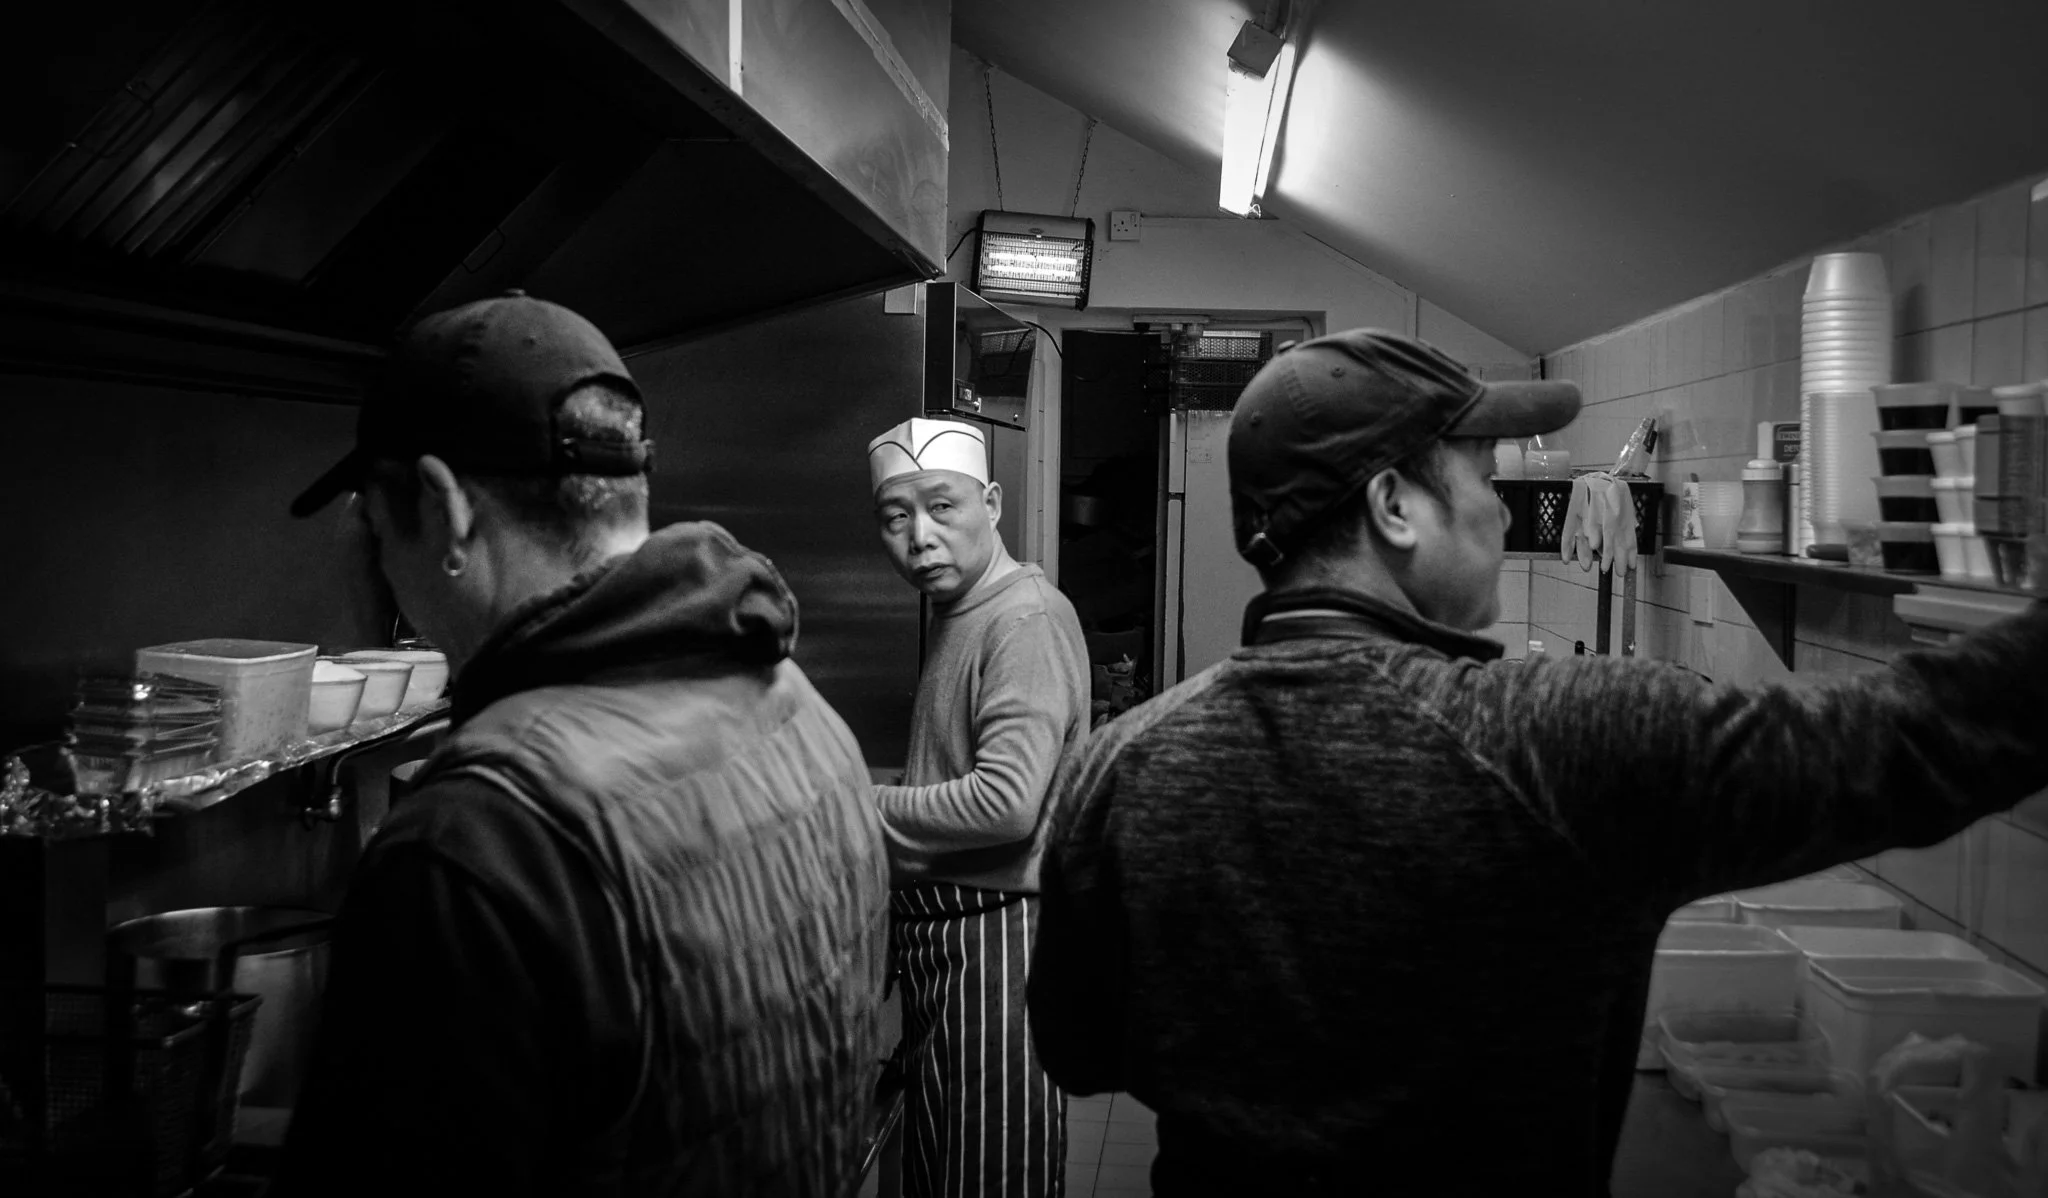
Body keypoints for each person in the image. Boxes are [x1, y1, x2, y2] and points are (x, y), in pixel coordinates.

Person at [1027, 328, 2048, 1195]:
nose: (1499, 508)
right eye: (1479, 472)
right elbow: (1912, 741)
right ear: (1391, 504)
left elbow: (1075, 1048)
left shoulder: (1120, 765)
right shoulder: (1559, 741)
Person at [275, 291, 890, 1196]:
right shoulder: (797, 704)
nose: (383, 564)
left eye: (374, 521)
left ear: (445, 511)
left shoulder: (475, 843)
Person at [865, 417, 1091, 1197]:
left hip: (999, 950)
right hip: (952, 941)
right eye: (896, 518)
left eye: (942, 507)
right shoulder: (963, 612)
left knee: (991, 1180)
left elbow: (1005, 803)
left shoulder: (1022, 618)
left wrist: (852, 806)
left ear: (991, 502)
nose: (920, 537)